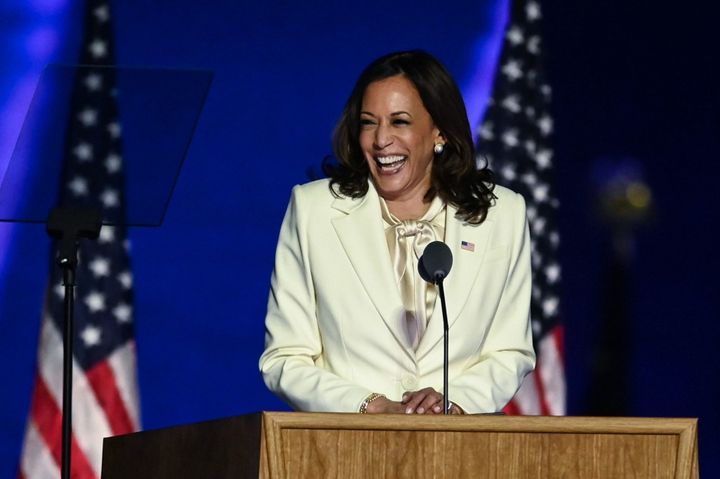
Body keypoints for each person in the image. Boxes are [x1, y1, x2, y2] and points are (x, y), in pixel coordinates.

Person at [259, 50, 534, 415]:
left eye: (400, 122)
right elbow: (284, 359)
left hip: (457, 453)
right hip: (345, 453)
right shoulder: (313, 211)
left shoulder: (503, 215)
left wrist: (455, 401)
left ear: (439, 131)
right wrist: (368, 405)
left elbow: (510, 351)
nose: (380, 140)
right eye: (369, 123)